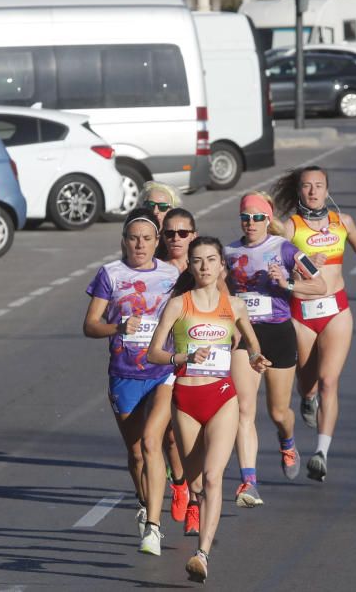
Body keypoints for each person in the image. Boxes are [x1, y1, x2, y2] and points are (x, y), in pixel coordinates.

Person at [147, 236, 267, 583]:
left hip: (222, 397)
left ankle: (202, 554)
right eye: (197, 261)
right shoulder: (178, 305)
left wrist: (258, 360)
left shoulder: (236, 306)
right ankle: (189, 495)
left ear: (221, 266)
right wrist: (182, 357)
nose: (204, 267)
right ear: (191, 266)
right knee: (197, 481)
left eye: (211, 260)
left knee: (214, 478)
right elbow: (154, 353)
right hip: (185, 400)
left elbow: (252, 345)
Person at [271, 166, 356, 481]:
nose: (313, 191)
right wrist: (300, 269)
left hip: (336, 310)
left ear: (327, 190)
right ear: (299, 191)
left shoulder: (342, 222)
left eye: (319, 186)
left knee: (329, 381)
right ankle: (307, 398)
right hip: (302, 313)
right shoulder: (290, 227)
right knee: (309, 384)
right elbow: (276, 269)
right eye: (307, 186)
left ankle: (321, 453)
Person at [82, 208, 181, 555]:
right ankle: (144, 501)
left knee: (153, 443)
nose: (140, 244)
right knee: (136, 452)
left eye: (147, 239)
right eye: (133, 238)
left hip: (162, 372)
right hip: (124, 375)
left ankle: (153, 527)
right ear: (123, 241)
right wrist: (118, 328)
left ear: (157, 243)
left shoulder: (172, 275)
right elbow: (90, 325)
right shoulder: (110, 274)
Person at [224, 192, 327, 507]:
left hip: (279, 333)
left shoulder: (285, 249)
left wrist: (287, 284)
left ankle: (288, 441)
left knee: (278, 412)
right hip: (245, 335)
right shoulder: (228, 252)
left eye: (257, 217)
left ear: (268, 220)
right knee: (244, 409)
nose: (251, 223)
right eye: (246, 217)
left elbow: (320, 285)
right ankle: (249, 482)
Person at [157, 208, 198, 533]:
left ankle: (197, 502)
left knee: (202, 439)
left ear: (193, 236)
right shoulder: (156, 271)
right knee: (172, 436)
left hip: (208, 363)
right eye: (169, 233)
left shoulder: (206, 268)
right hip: (171, 361)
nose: (176, 239)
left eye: (182, 233)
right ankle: (181, 484)